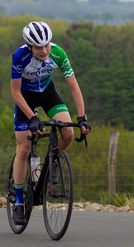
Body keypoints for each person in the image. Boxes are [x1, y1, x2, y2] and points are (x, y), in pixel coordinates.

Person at [11, 20, 91, 225]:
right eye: (39, 47)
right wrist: (32, 117)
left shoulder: (58, 53)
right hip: (26, 99)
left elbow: (73, 87)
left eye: (47, 44)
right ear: (30, 46)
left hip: (48, 94)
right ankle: (19, 201)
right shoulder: (20, 57)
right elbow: (15, 92)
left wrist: (82, 118)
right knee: (23, 150)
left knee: (67, 133)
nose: (44, 50)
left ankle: (51, 163)